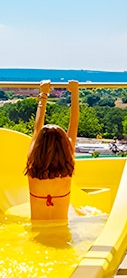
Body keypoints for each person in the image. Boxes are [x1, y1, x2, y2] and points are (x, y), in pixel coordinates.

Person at [25, 79, 79, 221]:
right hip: (63, 230)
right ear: (65, 145)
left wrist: (43, 94)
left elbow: (37, 129)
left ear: (38, 145)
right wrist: (74, 93)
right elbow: (74, 124)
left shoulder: (32, 167)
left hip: (35, 230)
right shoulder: (68, 166)